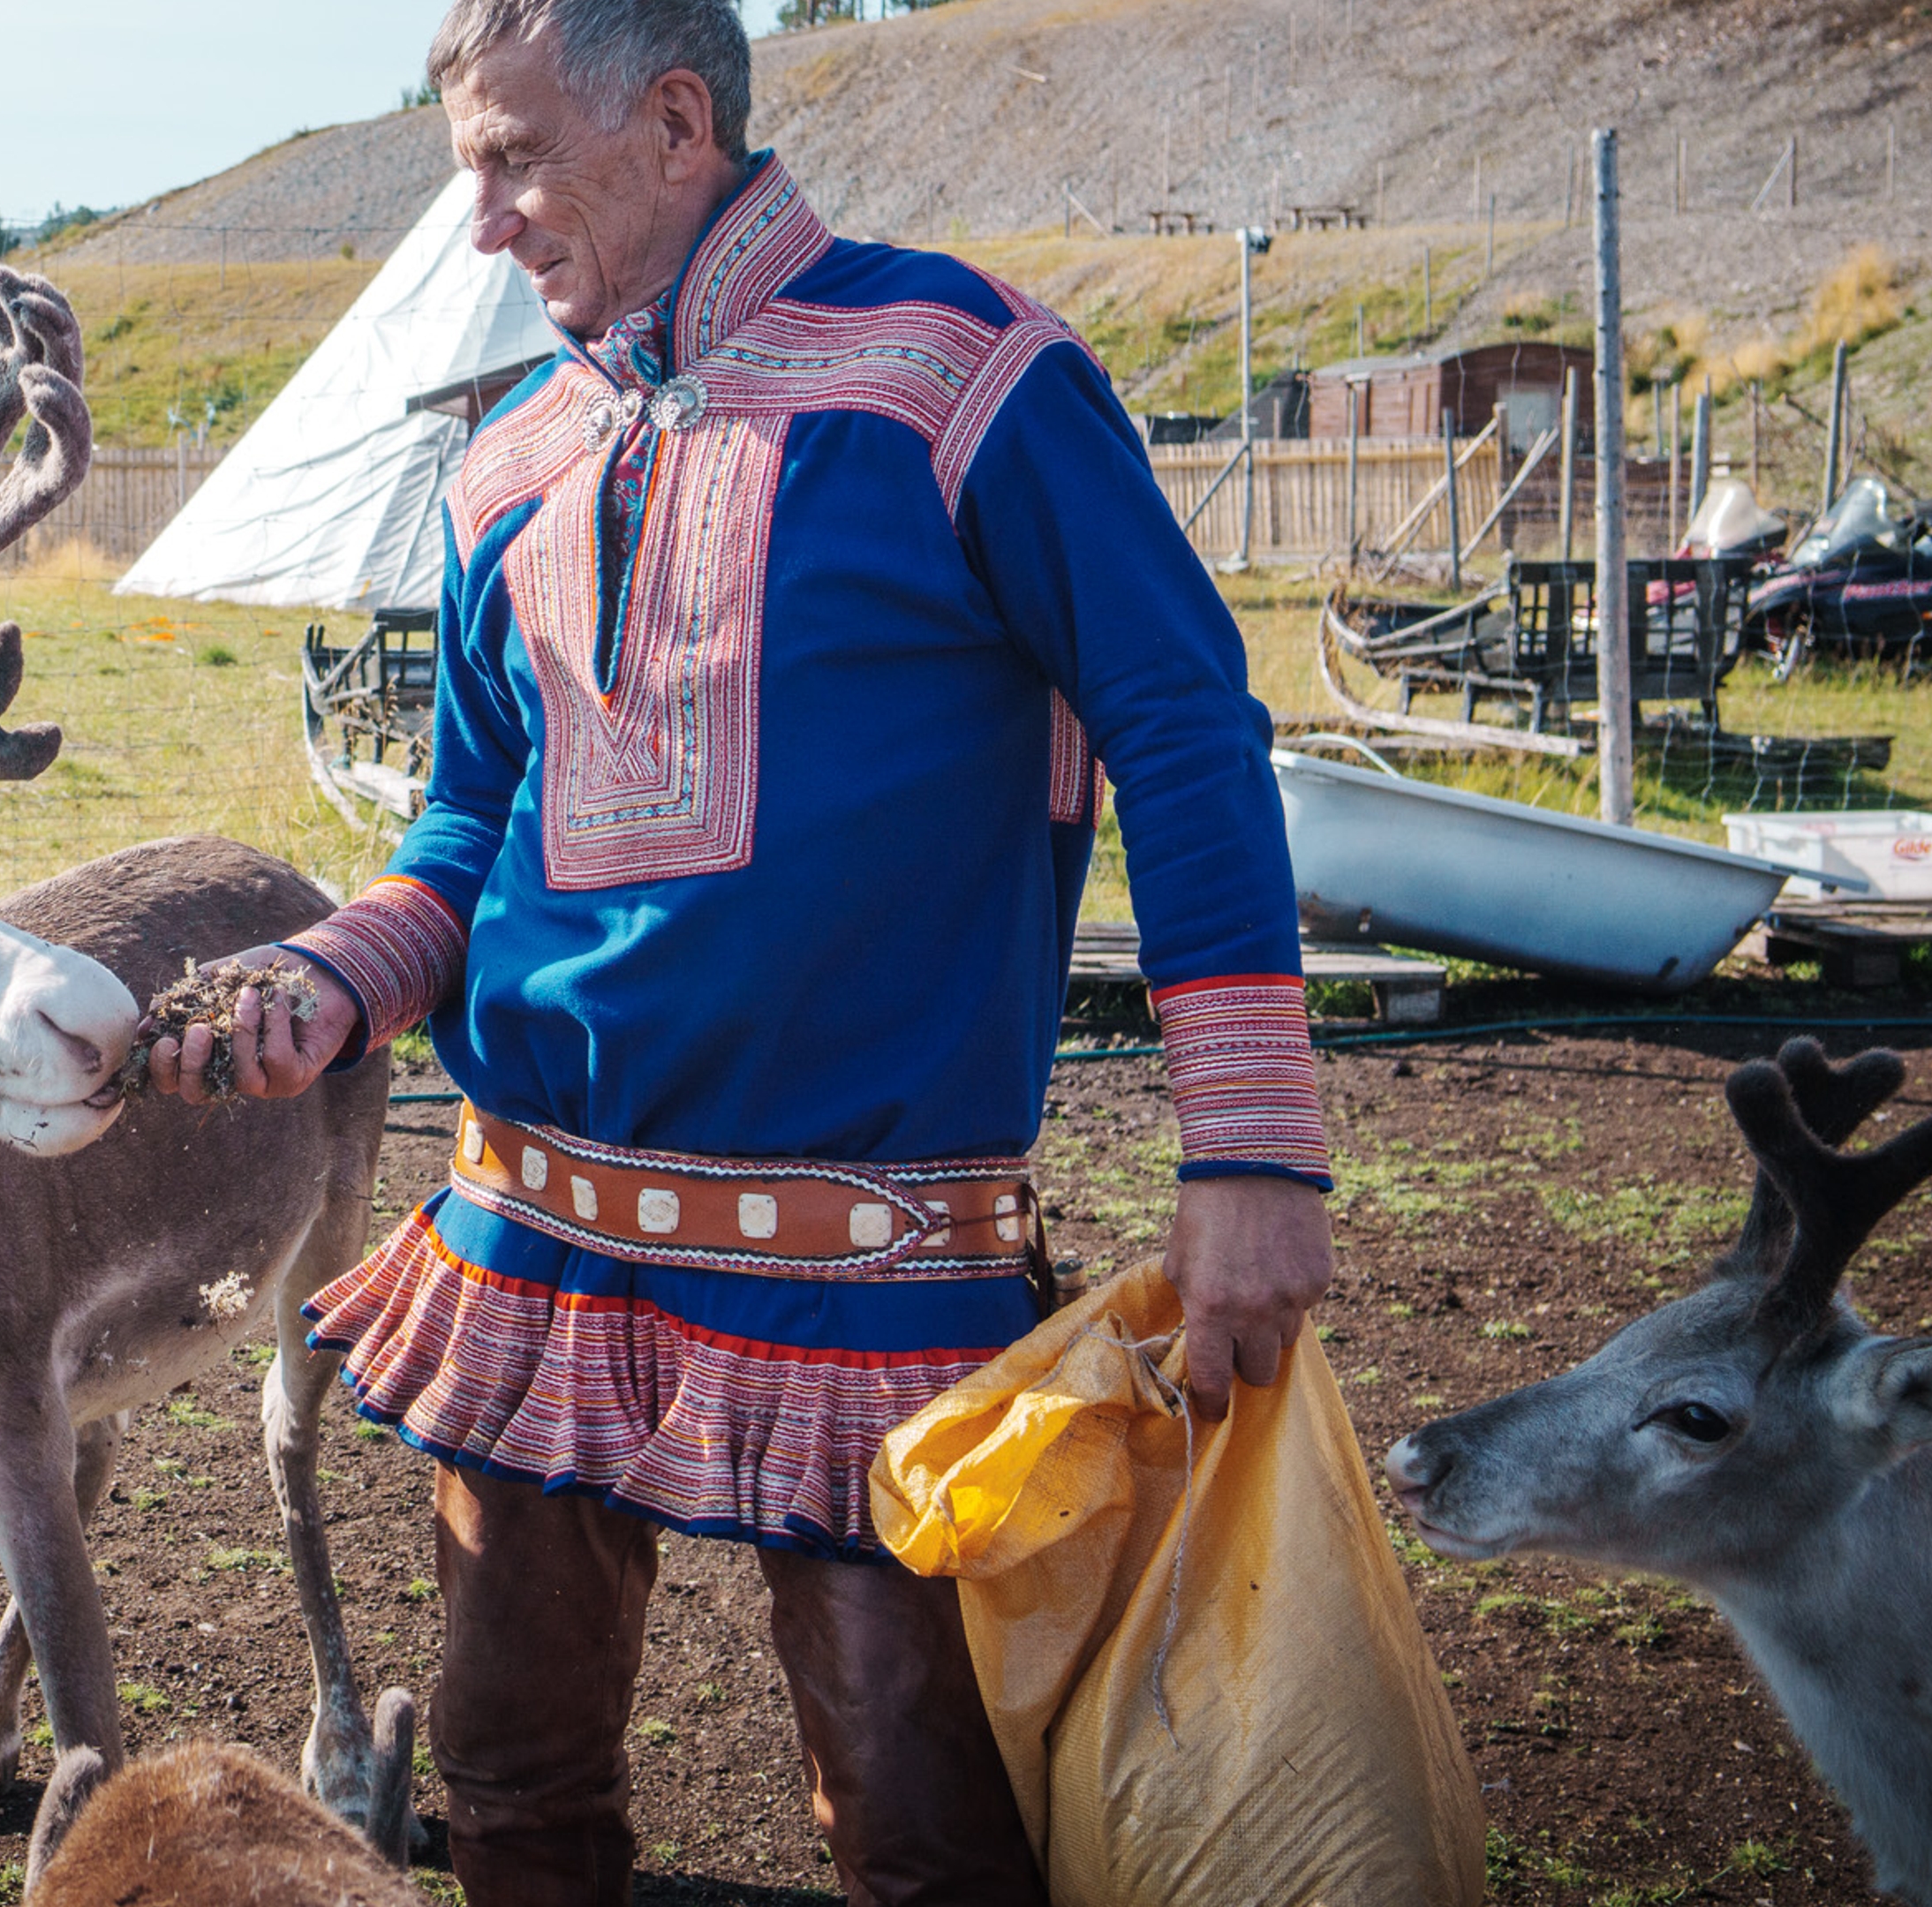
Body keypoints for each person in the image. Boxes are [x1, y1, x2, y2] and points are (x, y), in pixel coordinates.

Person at [148, 3, 1335, 1901]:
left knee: (923, 1828)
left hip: (873, 1258)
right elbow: (464, 830)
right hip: (534, 1235)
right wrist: (333, 980)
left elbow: (1185, 725)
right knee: (511, 1780)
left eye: (509, 162)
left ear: (678, 121)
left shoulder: (960, 376)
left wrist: (1253, 1150)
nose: (483, 223)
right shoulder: (505, 465)